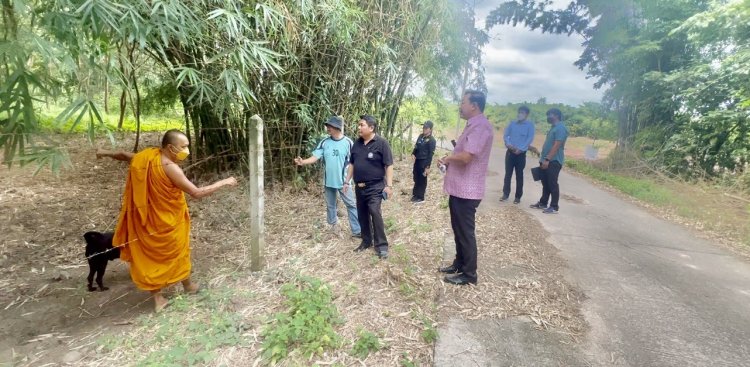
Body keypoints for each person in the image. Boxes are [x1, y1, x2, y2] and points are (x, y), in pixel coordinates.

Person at [96, 130, 238, 312]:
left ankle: (183, 287)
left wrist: (103, 152)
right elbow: (196, 192)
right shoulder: (169, 167)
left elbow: (124, 155)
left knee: (166, 253)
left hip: (146, 220)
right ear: (170, 147)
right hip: (165, 222)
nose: (186, 150)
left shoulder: (147, 156)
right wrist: (223, 182)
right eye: (184, 147)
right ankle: (160, 298)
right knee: (170, 252)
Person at [438, 90, 494, 285]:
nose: (460, 106)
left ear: (474, 105)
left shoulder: (480, 127)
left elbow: (466, 157)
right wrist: (448, 160)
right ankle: (459, 264)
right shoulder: (473, 125)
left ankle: (469, 274)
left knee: (465, 232)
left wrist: (448, 158)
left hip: (467, 191)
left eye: (463, 102)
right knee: (458, 230)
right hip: (460, 189)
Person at [294, 116, 361, 237]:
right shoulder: (325, 142)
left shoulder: (348, 143)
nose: (327, 128)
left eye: (330, 126)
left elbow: (354, 162)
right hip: (328, 181)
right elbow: (315, 156)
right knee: (330, 205)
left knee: (351, 204)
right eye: (327, 126)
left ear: (337, 127)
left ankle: (357, 231)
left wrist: (353, 179)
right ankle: (334, 226)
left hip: (344, 182)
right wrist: (303, 162)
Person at [344, 115, 394, 259]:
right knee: (362, 213)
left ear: (371, 128)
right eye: (358, 125)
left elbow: (388, 165)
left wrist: (389, 186)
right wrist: (347, 181)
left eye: (362, 125)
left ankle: (382, 245)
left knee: (374, 211)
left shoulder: (382, 143)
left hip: (376, 186)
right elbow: (352, 164)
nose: (359, 128)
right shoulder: (357, 144)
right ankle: (366, 241)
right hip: (359, 187)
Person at [530, 108, 568, 214]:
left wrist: (547, 159)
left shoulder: (561, 128)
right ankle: (543, 203)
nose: (548, 117)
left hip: (553, 161)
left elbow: (557, 145)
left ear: (556, 115)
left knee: (552, 184)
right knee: (545, 183)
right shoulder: (553, 128)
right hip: (546, 160)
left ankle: (554, 206)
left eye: (550, 115)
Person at [501, 106, 535, 204]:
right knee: (508, 174)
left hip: (521, 154)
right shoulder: (512, 124)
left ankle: (518, 197)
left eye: (523, 113)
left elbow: (529, 139)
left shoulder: (529, 126)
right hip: (510, 153)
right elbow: (506, 135)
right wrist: (508, 144)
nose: (520, 114)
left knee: (519, 175)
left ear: (527, 114)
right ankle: (505, 194)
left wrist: (520, 149)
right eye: (519, 112)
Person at [410, 121, 437, 203]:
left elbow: (430, 154)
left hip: (424, 161)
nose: (424, 129)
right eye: (423, 127)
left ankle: (420, 197)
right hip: (417, 160)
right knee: (416, 176)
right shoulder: (421, 136)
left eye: (426, 128)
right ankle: (415, 194)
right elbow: (416, 146)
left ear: (430, 129)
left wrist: (427, 166)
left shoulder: (432, 140)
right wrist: (413, 153)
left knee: (422, 178)